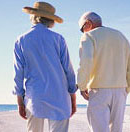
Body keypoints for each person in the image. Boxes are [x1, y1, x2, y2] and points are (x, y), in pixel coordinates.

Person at [13, 2, 77, 132]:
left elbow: (18, 73)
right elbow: (68, 70)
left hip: (35, 97)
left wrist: (20, 101)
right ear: (51, 20)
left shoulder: (21, 40)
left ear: (33, 16)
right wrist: (73, 97)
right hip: (59, 96)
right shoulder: (58, 39)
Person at [77, 12, 130, 132]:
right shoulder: (120, 36)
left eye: (82, 28)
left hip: (99, 90)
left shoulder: (88, 36)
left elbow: (86, 62)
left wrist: (82, 86)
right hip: (120, 91)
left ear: (88, 23)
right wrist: (127, 88)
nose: (83, 32)